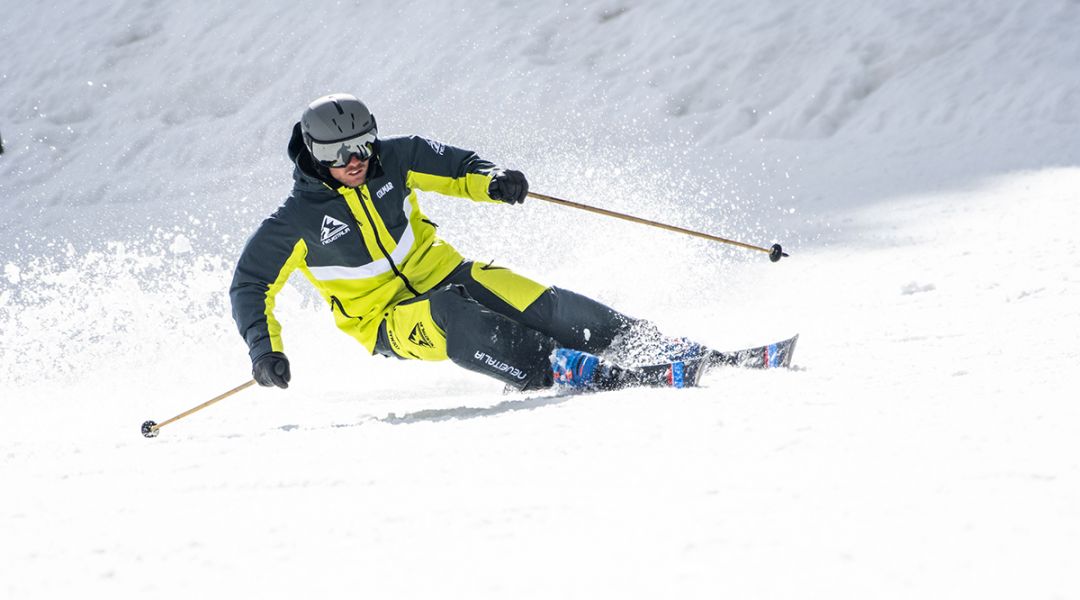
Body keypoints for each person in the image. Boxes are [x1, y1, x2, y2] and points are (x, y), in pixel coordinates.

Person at [229, 93, 709, 393]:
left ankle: (647, 343)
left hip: (446, 272)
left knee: (534, 300)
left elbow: (460, 168)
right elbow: (249, 285)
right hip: (385, 320)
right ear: (314, 155)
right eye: (339, 153)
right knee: (451, 316)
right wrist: (264, 351)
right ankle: (556, 367)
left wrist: (494, 180)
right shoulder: (293, 223)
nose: (355, 160)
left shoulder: (396, 159)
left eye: (363, 143)